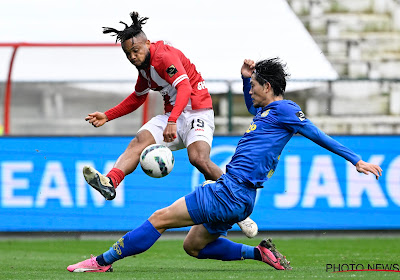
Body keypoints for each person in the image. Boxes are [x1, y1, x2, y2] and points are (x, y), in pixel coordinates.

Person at [68, 57, 382, 273]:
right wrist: (247, 76)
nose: (251, 91)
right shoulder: (269, 113)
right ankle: (259, 252)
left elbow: (316, 134)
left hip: (228, 193)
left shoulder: (287, 110)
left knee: (159, 219)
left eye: (255, 86)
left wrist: (357, 160)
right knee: (193, 245)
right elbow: (256, 108)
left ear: (269, 88)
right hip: (240, 198)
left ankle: (102, 261)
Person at [82, 11, 257, 237]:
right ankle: (111, 182)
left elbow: (184, 88)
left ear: (148, 43)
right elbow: (138, 97)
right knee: (139, 141)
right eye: (128, 54)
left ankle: (240, 207)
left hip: (198, 110)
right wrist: (108, 115)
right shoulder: (144, 69)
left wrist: (172, 121)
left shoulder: (164, 56)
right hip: (173, 114)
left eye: (136, 50)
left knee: (199, 159)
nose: (133, 56)